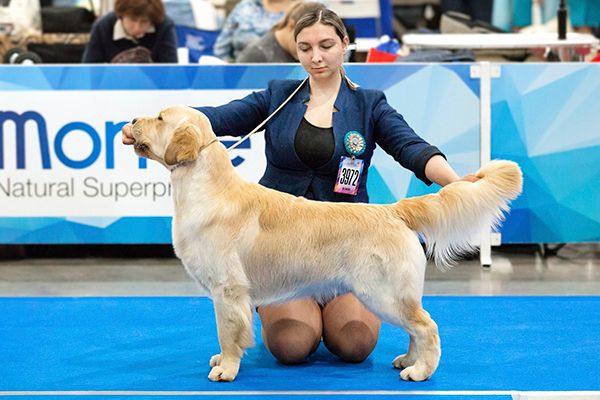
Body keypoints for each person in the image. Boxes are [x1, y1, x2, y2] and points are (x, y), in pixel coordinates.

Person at [122, 8, 478, 365]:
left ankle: (392, 332)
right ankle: (284, 320)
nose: (316, 56)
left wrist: (455, 182)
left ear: (344, 45)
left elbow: (411, 147)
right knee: (291, 345)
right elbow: (215, 117)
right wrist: (150, 128)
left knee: (354, 344)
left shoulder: (369, 104)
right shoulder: (278, 98)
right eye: (305, 47)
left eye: (326, 45)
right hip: (280, 250)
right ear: (296, 49)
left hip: (347, 243)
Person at [82, 0, 177, 63]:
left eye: (144, 22)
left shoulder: (164, 27)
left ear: (152, 20)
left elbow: (170, 71)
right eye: (132, 20)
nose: (137, 28)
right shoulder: (102, 27)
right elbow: (89, 71)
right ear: (121, 15)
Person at [237, 1, 326, 63]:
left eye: (324, 46)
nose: (315, 56)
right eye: (305, 47)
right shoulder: (257, 56)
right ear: (291, 25)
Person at [213, 0, 296, 62]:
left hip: (286, 72)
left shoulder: (303, 8)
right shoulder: (245, 6)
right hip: (242, 73)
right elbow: (221, 48)